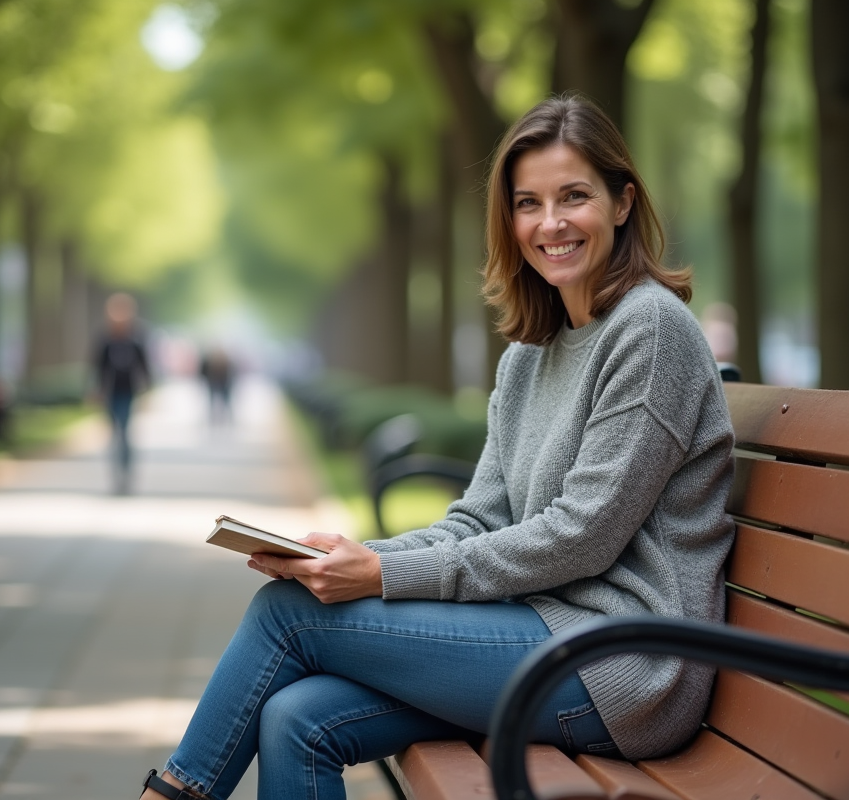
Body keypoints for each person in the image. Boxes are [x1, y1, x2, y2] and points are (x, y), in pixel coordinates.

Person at [138, 94, 735, 800]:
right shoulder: (529, 357)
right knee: (296, 717)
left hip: (623, 666)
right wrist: (348, 560)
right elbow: (479, 518)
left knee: (287, 617)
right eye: (528, 203)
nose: (550, 223)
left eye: (574, 197)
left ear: (623, 203)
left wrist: (383, 579)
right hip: (543, 636)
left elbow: (582, 538)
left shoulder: (650, 331)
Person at [96, 292, 150, 494]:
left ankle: (126, 473)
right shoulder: (106, 341)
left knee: (125, 433)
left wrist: (146, 391)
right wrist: (97, 390)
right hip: (110, 393)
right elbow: (98, 367)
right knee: (114, 435)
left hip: (127, 393)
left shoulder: (135, 341)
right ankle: (115, 475)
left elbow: (144, 367)